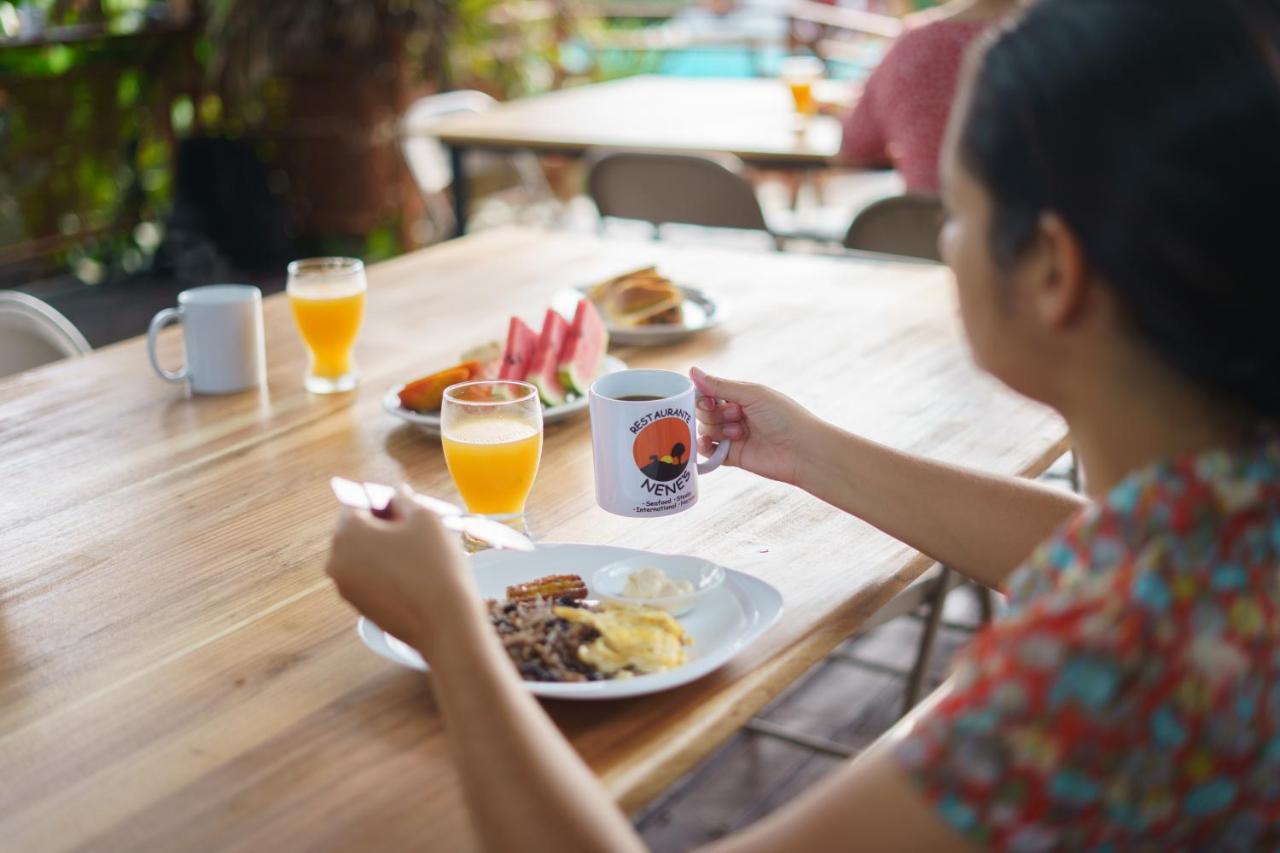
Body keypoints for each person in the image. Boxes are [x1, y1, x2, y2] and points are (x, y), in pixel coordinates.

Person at [324, 1, 1280, 848]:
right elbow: (1096, 548)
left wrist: (452, 628)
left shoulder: (1099, 669)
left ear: (1053, 272)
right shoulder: (1221, 533)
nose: (944, 243)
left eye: (955, 212)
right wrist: (809, 450)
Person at [840, 0, 1021, 192]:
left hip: (921, 217)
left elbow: (856, 145)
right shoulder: (1039, 42)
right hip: (1022, 217)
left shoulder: (913, 43)